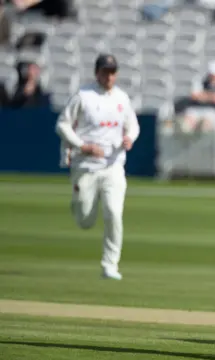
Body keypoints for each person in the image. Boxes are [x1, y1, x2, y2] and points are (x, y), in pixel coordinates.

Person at [55, 54, 140, 280]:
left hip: (113, 166)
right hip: (86, 166)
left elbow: (133, 126)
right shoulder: (83, 96)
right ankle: (77, 200)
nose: (109, 76)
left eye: (113, 72)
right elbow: (62, 125)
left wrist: (129, 138)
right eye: (105, 72)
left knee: (114, 213)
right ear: (97, 73)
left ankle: (110, 265)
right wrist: (83, 145)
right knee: (85, 219)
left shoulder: (122, 98)